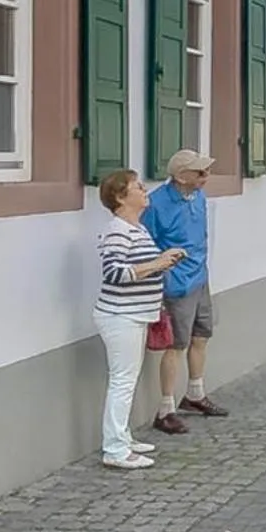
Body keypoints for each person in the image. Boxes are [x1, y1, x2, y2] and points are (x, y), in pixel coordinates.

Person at [93, 169, 186, 470]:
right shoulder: (117, 229)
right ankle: (115, 449)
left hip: (136, 314)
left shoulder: (138, 228)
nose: (145, 190)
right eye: (138, 187)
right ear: (121, 197)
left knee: (127, 381)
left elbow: (139, 267)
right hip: (121, 315)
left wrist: (164, 260)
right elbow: (115, 272)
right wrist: (156, 263)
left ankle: (123, 437)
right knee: (121, 382)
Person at [143, 149, 228, 434]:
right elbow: (146, 244)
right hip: (176, 283)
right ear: (181, 176)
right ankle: (165, 409)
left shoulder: (199, 197)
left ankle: (195, 394)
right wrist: (164, 275)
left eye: (206, 171)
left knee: (201, 335)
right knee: (175, 345)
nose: (206, 176)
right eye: (200, 172)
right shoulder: (155, 204)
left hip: (200, 277)